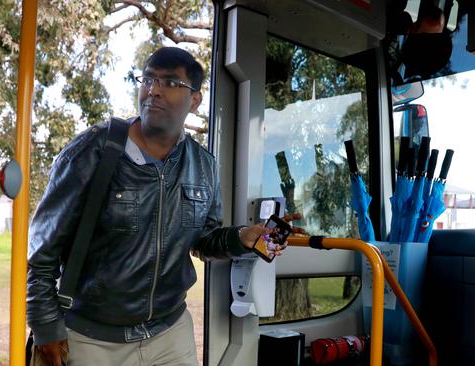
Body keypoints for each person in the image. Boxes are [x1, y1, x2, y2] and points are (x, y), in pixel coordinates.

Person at [26, 47, 304, 366]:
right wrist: (46, 327)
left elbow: (204, 241)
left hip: (170, 335)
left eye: (171, 83)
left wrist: (243, 237)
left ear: (195, 100)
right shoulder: (92, 151)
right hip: (91, 338)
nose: (154, 90)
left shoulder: (203, 166)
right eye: (148, 79)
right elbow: (42, 250)